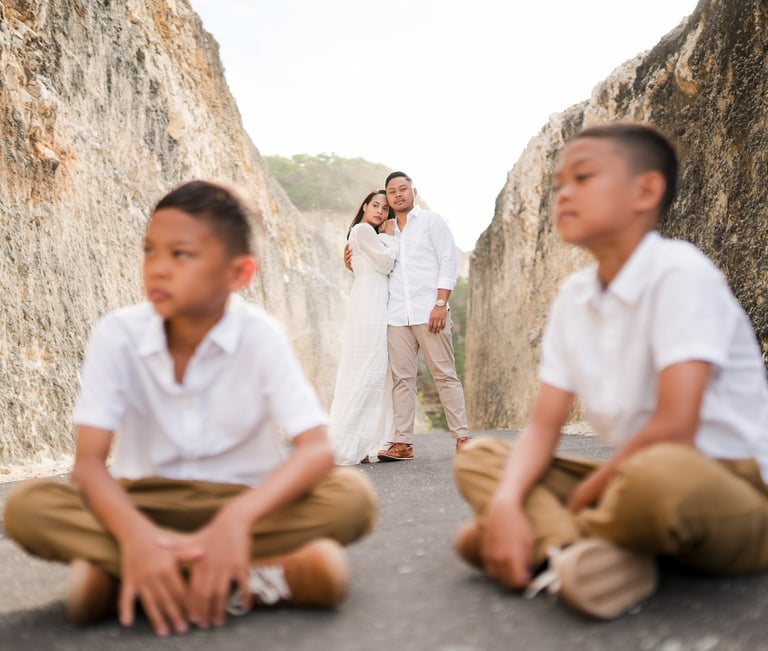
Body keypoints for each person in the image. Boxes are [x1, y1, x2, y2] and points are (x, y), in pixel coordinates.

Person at [3, 180, 377, 637]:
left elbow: (316, 450)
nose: (157, 269)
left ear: (238, 274)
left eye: (180, 255)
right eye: (149, 251)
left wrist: (236, 522)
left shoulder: (259, 335)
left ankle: (128, 575)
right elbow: (88, 467)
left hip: (244, 502)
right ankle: (253, 576)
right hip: (145, 504)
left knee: (352, 499)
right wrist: (137, 535)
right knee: (28, 506)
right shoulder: (117, 335)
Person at [453, 123, 768, 620]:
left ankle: (549, 542)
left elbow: (674, 428)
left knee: (655, 475)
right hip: (627, 480)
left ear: (646, 190)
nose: (563, 194)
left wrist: (579, 500)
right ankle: (570, 553)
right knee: (479, 459)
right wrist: (511, 503)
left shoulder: (680, 274)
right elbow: (541, 429)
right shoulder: (574, 299)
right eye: (558, 185)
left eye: (582, 177)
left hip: (722, 488)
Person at [376, 171, 471, 461]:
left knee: (444, 375)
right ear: (388, 198)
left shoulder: (432, 221)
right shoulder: (387, 230)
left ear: (413, 192)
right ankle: (402, 443)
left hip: (429, 311)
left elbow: (447, 261)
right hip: (396, 315)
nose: (398, 195)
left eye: (402, 189)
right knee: (402, 379)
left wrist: (441, 303)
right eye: (392, 192)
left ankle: (463, 437)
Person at [329, 190, 396, 464]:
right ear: (365, 207)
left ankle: (367, 444)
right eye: (376, 205)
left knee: (371, 373)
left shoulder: (365, 235)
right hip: (370, 309)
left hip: (373, 303)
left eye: (385, 208)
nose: (380, 211)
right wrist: (389, 236)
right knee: (368, 372)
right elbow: (386, 263)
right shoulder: (364, 230)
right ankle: (353, 442)